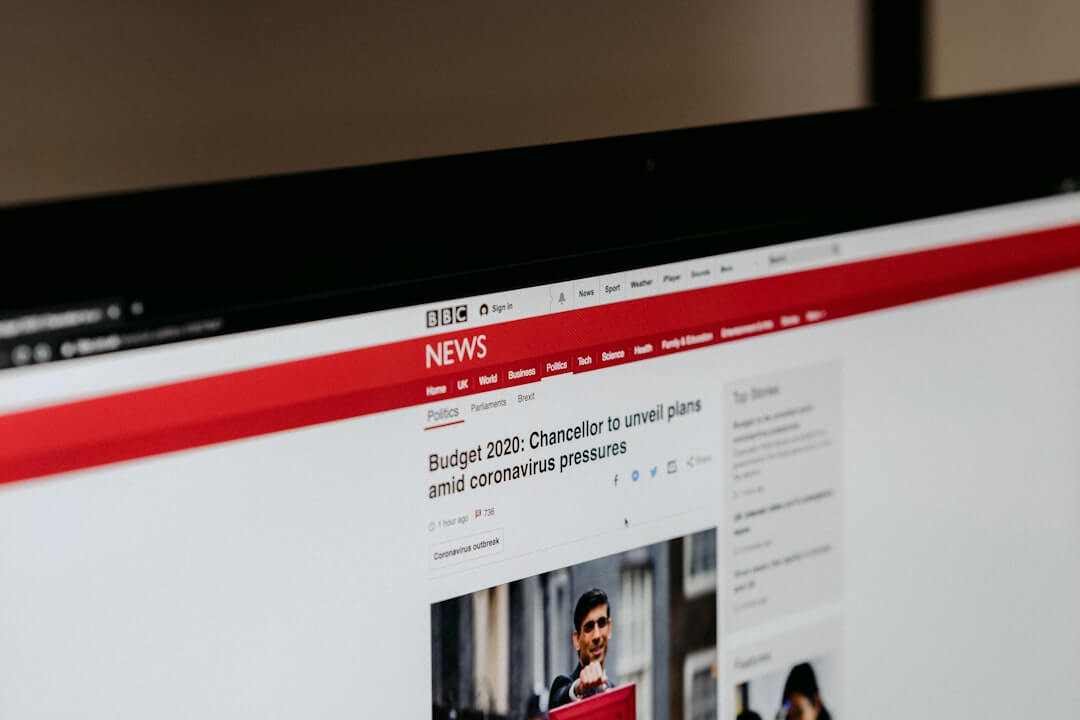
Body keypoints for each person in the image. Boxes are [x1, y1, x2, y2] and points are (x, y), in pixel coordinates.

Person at [548, 588, 614, 710]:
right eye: (589, 627)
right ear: (576, 640)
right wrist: (579, 688)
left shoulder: (614, 692)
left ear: (609, 628)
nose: (597, 635)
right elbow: (558, 700)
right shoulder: (564, 686)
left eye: (602, 623)